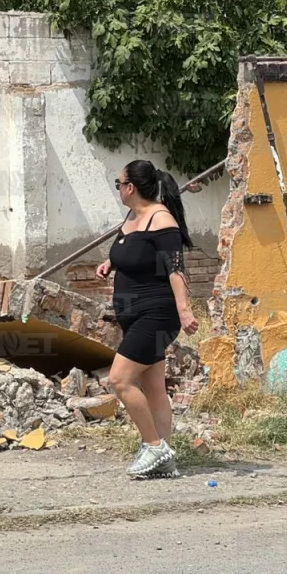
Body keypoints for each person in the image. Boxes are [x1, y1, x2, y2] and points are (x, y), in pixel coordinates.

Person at [95, 159, 199, 478]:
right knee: (153, 385)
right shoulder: (132, 217)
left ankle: (154, 446)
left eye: (118, 184)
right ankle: (164, 458)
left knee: (119, 380)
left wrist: (184, 311)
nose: (118, 190)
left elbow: (175, 269)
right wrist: (109, 263)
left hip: (158, 314)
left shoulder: (161, 219)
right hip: (134, 313)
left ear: (131, 188)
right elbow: (132, 251)